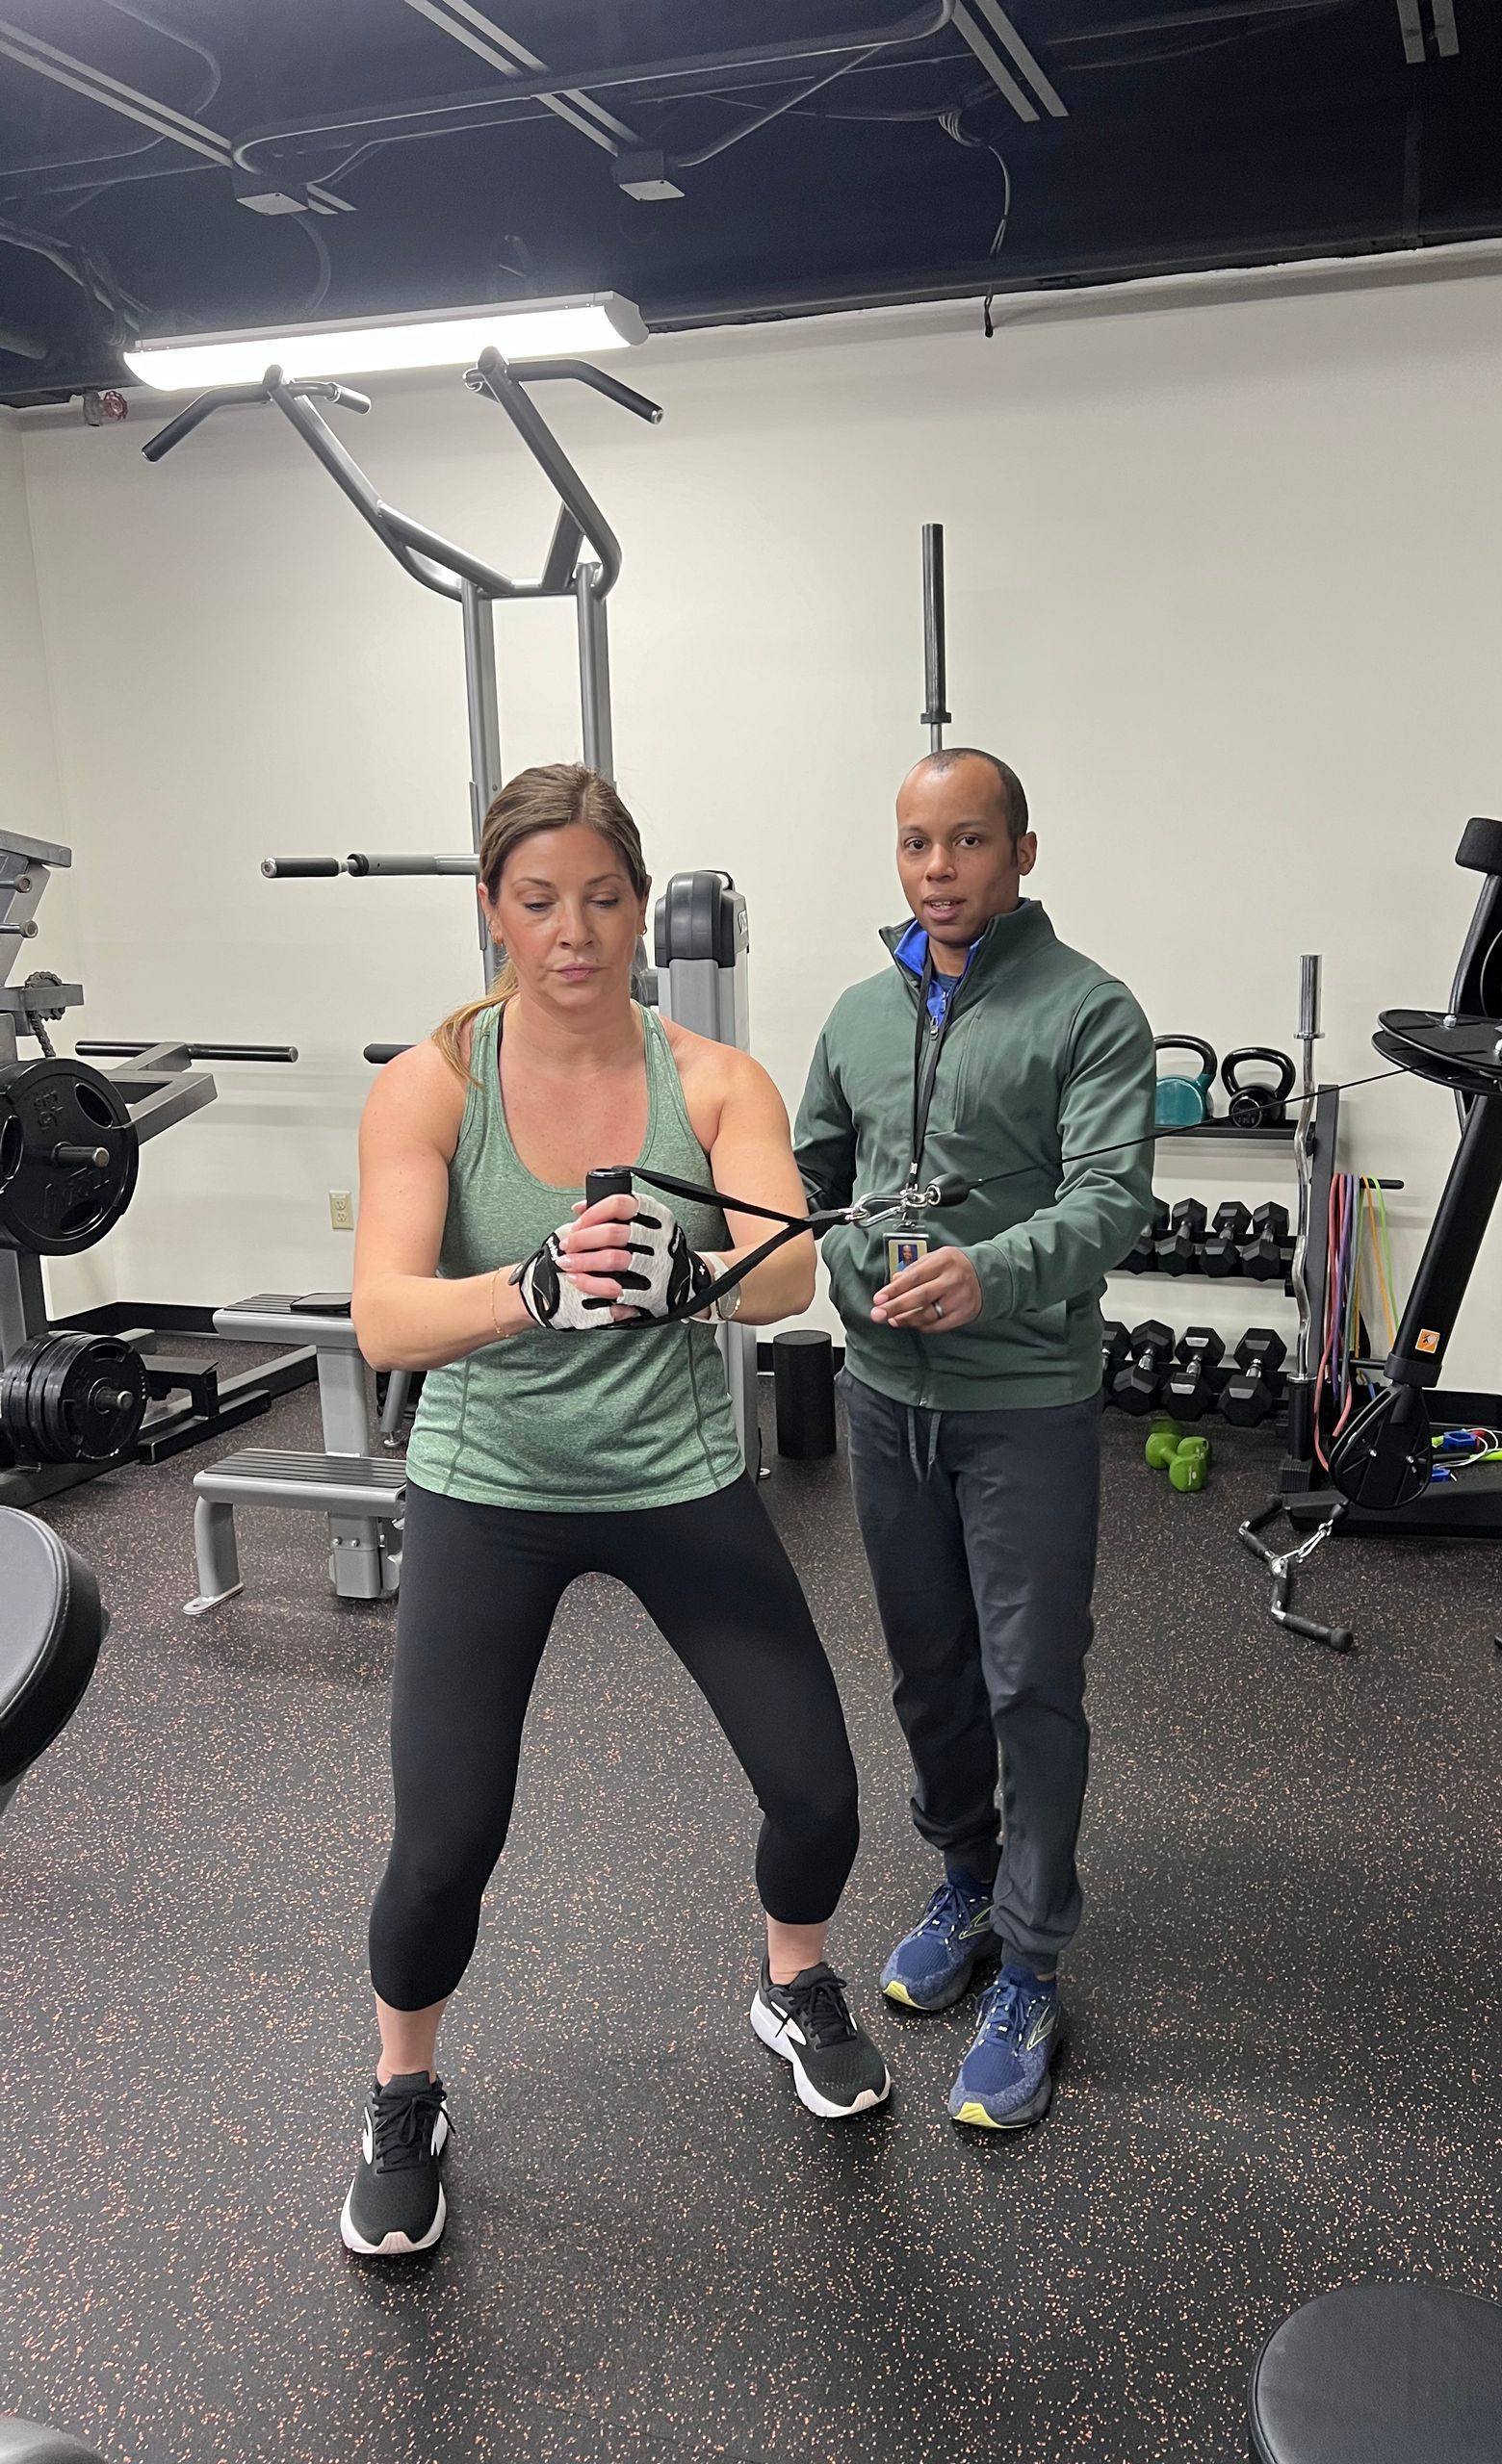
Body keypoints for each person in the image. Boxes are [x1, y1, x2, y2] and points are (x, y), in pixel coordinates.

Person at [343, 762, 891, 2261]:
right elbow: (386, 1319)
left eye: (601, 898)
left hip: (674, 1481)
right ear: (493, 914)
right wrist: (530, 1288)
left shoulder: (713, 1081)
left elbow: (792, 1275)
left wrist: (694, 1273)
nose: (573, 931)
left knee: (820, 1795)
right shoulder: (432, 1082)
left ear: (640, 909)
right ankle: (404, 2092)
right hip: (488, 1493)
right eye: (539, 902)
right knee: (447, 1839)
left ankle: (792, 1988)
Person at [795, 748, 1153, 2131]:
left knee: (1029, 1686)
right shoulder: (853, 1016)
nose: (938, 869)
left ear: (1022, 853)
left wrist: (989, 1271)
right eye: (915, 845)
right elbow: (813, 1184)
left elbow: (1114, 1199)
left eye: (967, 842)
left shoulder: (1089, 1012)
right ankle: (964, 1883)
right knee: (929, 1675)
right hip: (884, 1404)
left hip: (1025, 1410)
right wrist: (847, 1274)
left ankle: (1034, 1960)